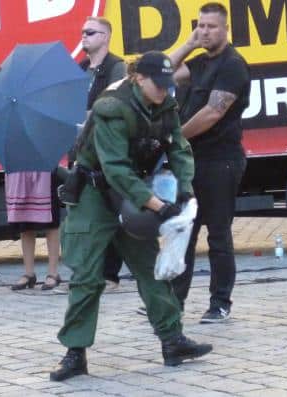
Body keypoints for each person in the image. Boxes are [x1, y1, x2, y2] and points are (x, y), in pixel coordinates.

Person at [50, 51, 212, 382]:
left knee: (151, 268)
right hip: (95, 193)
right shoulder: (111, 106)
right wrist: (157, 205)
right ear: (139, 79)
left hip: (134, 191)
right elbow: (115, 169)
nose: (165, 91)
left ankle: (172, 341)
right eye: (158, 84)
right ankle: (75, 353)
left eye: (168, 84)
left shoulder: (164, 102)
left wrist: (185, 190)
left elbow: (178, 147)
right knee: (87, 276)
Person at [169, 2, 250, 323]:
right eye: (200, 26)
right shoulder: (200, 62)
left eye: (211, 26)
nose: (204, 31)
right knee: (183, 233)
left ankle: (220, 303)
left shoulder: (233, 65)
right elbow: (161, 76)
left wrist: (177, 138)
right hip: (192, 162)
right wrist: (188, 44)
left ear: (225, 30)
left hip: (221, 161)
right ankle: (173, 303)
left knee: (218, 235)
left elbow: (213, 113)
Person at [79, 16, 127, 291]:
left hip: (107, 149)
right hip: (83, 148)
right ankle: (91, 271)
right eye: (83, 32)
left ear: (106, 36)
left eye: (90, 32)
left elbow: (113, 104)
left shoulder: (116, 66)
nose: (84, 36)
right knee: (88, 212)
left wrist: (88, 114)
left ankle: (111, 274)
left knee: (111, 210)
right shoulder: (81, 68)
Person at [5, 171, 61, 290]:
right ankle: (29, 273)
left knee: (51, 222)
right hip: (20, 170)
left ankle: (53, 273)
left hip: (45, 169)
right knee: (24, 221)